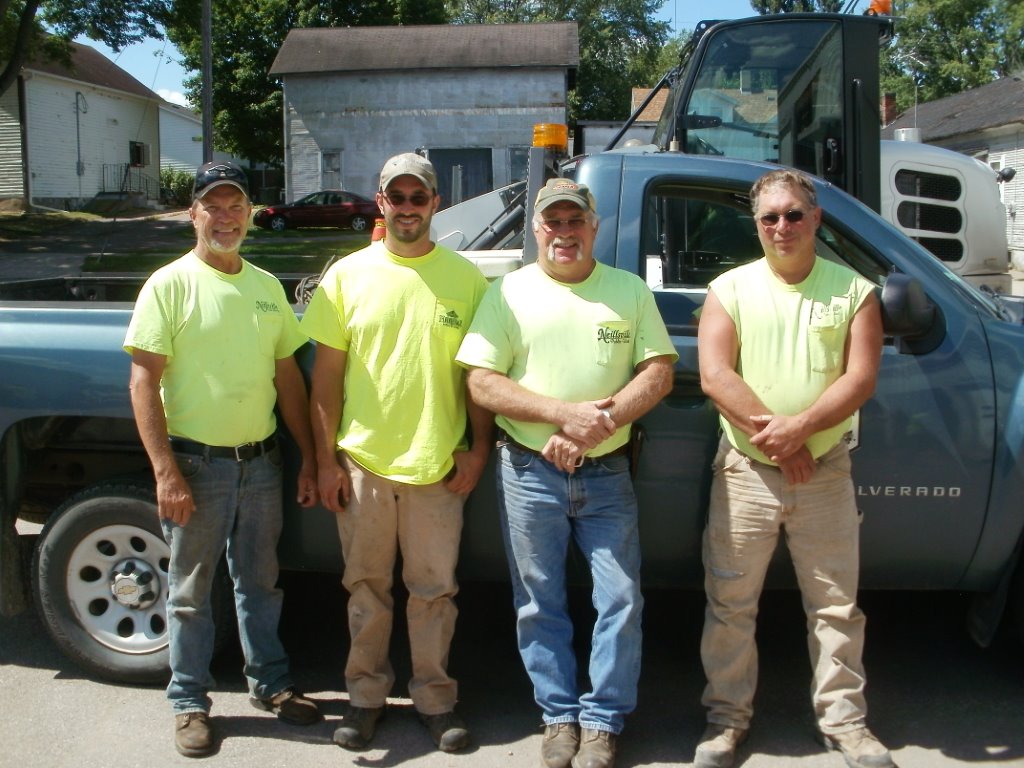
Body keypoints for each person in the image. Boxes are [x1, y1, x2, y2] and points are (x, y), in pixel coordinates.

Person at [456, 178, 678, 768]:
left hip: (607, 473)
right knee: (538, 601)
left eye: (575, 221)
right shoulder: (506, 294)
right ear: (536, 230)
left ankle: (603, 722)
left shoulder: (628, 292)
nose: (564, 232)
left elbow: (657, 372)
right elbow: (481, 381)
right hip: (529, 471)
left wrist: (595, 423)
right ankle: (558, 716)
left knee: (622, 598)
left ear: (594, 227)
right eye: (552, 222)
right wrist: (561, 415)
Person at [694, 168, 890, 768]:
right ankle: (726, 721)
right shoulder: (729, 290)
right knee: (730, 604)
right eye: (769, 217)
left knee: (834, 607)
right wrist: (780, 440)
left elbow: (861, 378)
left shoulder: (856, 292)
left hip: (824, 468)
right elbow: (715, 375)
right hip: (746, 473)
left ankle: (846, 724)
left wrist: (801, 431)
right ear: (756, 225)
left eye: (794, 214)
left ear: (816, 219)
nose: (782, 226)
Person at [125, 161, 321, 758]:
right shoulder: (169, 285)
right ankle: (188, 702)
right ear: (194, 214)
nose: (227, 216)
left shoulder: (265, 287)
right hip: (198, 468)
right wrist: (166, 472)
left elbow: (288, 378)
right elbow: (142, 382)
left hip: (261, 465)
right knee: (188, 592)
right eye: (214, 205)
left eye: (236, 205)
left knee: (260, 582)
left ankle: (272, 684)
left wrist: (309, 458)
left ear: (251, 214)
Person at [301, 152, 491, 753]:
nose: (408, 207)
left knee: (435, 592)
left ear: (435, 203)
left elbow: (478, 375)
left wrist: (476, 447)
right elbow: (324, 380)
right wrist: (327, 460)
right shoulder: (345, 277)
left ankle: (436, 700)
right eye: (397, 197)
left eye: (419, 197)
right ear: (381, 203)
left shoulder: (468, 280)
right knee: (367, 590)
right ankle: (364, 700)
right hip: (363, 466)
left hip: (438, 466)